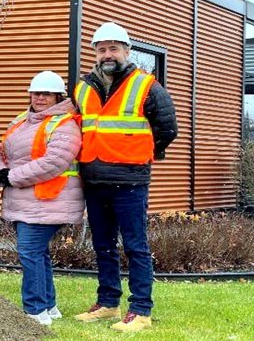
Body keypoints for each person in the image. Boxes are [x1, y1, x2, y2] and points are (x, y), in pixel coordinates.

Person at [72, 22, 177, 332]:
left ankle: (141, 310)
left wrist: (141, 153)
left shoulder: (147, 86)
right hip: (94, 179)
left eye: (114, 48)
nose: (108, 54)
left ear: (127, 51)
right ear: (95, 53)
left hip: (130, 181)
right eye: (102, 49)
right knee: (102, 244)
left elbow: (167, 129)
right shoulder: (83, 87)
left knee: (135, 245)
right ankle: (108, 303)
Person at [0, 71, 84, 326]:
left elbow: (53, 162)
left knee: (29, 251)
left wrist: (11, 177)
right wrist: (0, 170)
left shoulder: (65, 124)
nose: (40, 98)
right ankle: (48, 306)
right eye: (36, 93)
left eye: (46, 94)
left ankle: (34, 311)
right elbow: (3, 150)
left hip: (49, 200)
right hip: (26, 199)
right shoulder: (22, 121)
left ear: (57, 96)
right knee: (37, 253)